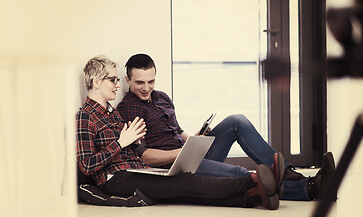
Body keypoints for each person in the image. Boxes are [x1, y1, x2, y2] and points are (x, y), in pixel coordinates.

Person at [117, 53, 336, 201]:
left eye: (151, 81)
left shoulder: (162, 97)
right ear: (128, 80)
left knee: (236, 121)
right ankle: (310, 188)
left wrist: (195, 139)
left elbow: (177, 132)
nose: (147, 88)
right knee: (242, 173)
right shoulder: (128, 108)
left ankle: (288, 173)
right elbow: (144, 157)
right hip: (175, 167)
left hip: (189, 154)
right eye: (140, 83)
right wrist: (182, 152)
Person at [76, 55, 285, 210]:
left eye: (117, 80)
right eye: (113, 80)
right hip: (115, 178)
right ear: (96, 82)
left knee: (183, 189)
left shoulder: (112, 114)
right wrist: (121, 143)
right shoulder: (86, 116)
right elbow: (86, 166)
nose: (117, 85)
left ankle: (256, 197)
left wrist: (136, 142)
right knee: (184, 182)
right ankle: (255, 183)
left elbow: (139, 149)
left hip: (136, 169)